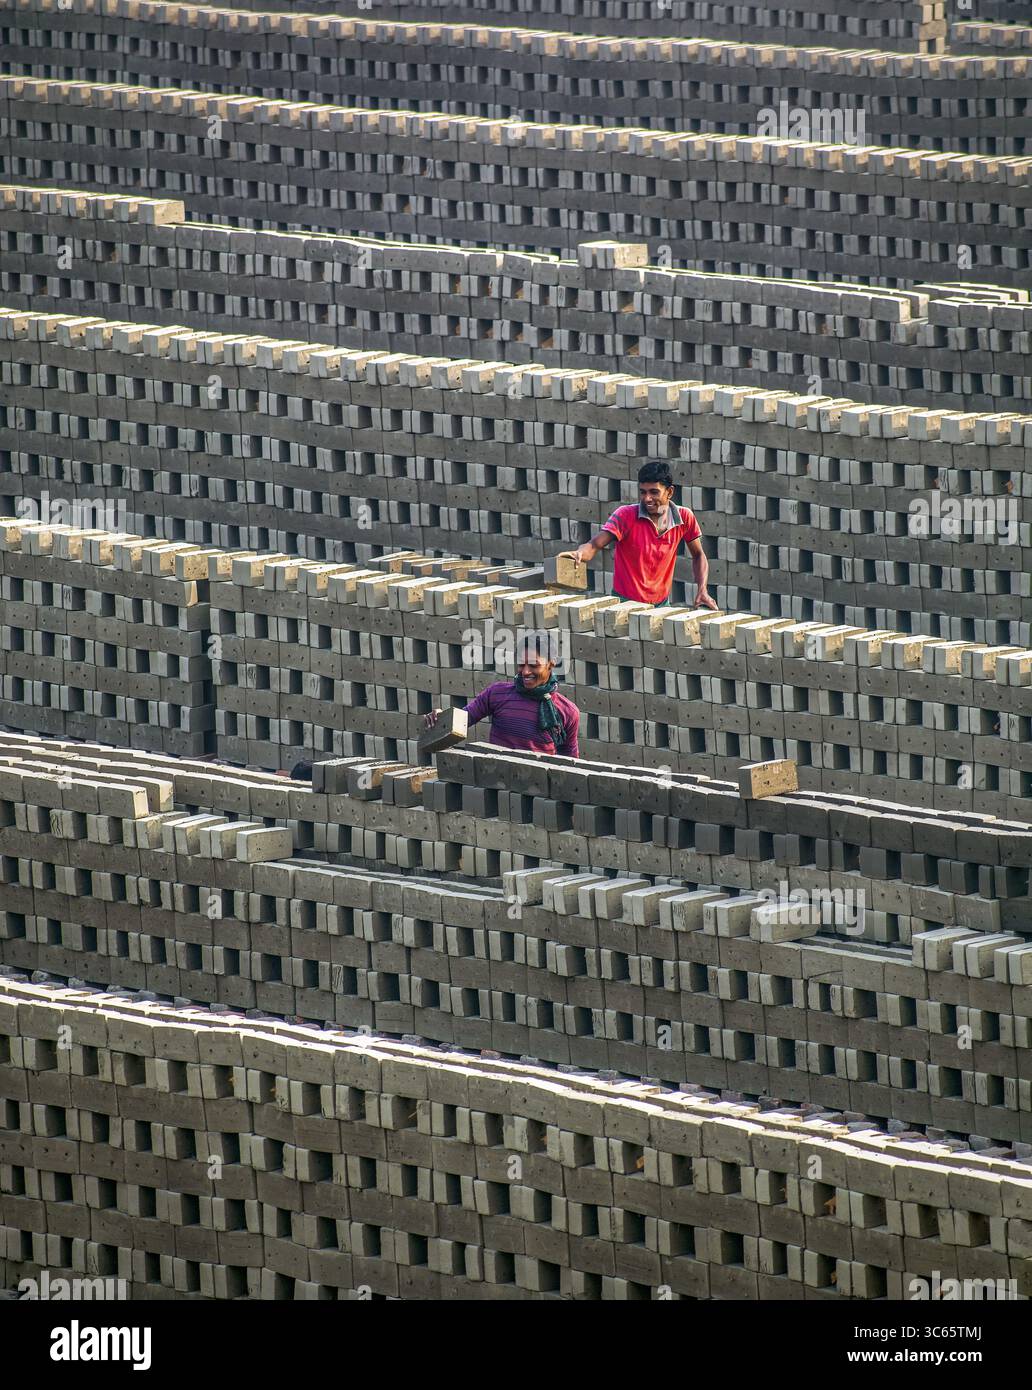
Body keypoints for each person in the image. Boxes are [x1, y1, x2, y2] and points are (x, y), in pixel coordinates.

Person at [558, 460, 716, 609]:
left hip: (661, 605)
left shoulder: (684, 517)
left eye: (654, 492)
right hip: (625, 605)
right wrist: (579, 553)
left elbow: (698, 555)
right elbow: (595, 544)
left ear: (669, 492)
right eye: (643, 492)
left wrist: (702, 590)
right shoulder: (625, 515)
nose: (647, 498)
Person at [424, 635, 579, 758]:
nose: (525, 672)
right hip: (497, 787)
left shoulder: (567, 712)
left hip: (538, 792)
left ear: (551, 664)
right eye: (521, 664)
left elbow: (569, 759)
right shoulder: (497, 693)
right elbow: (464, 718)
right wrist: (441, 718)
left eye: (533, 665)